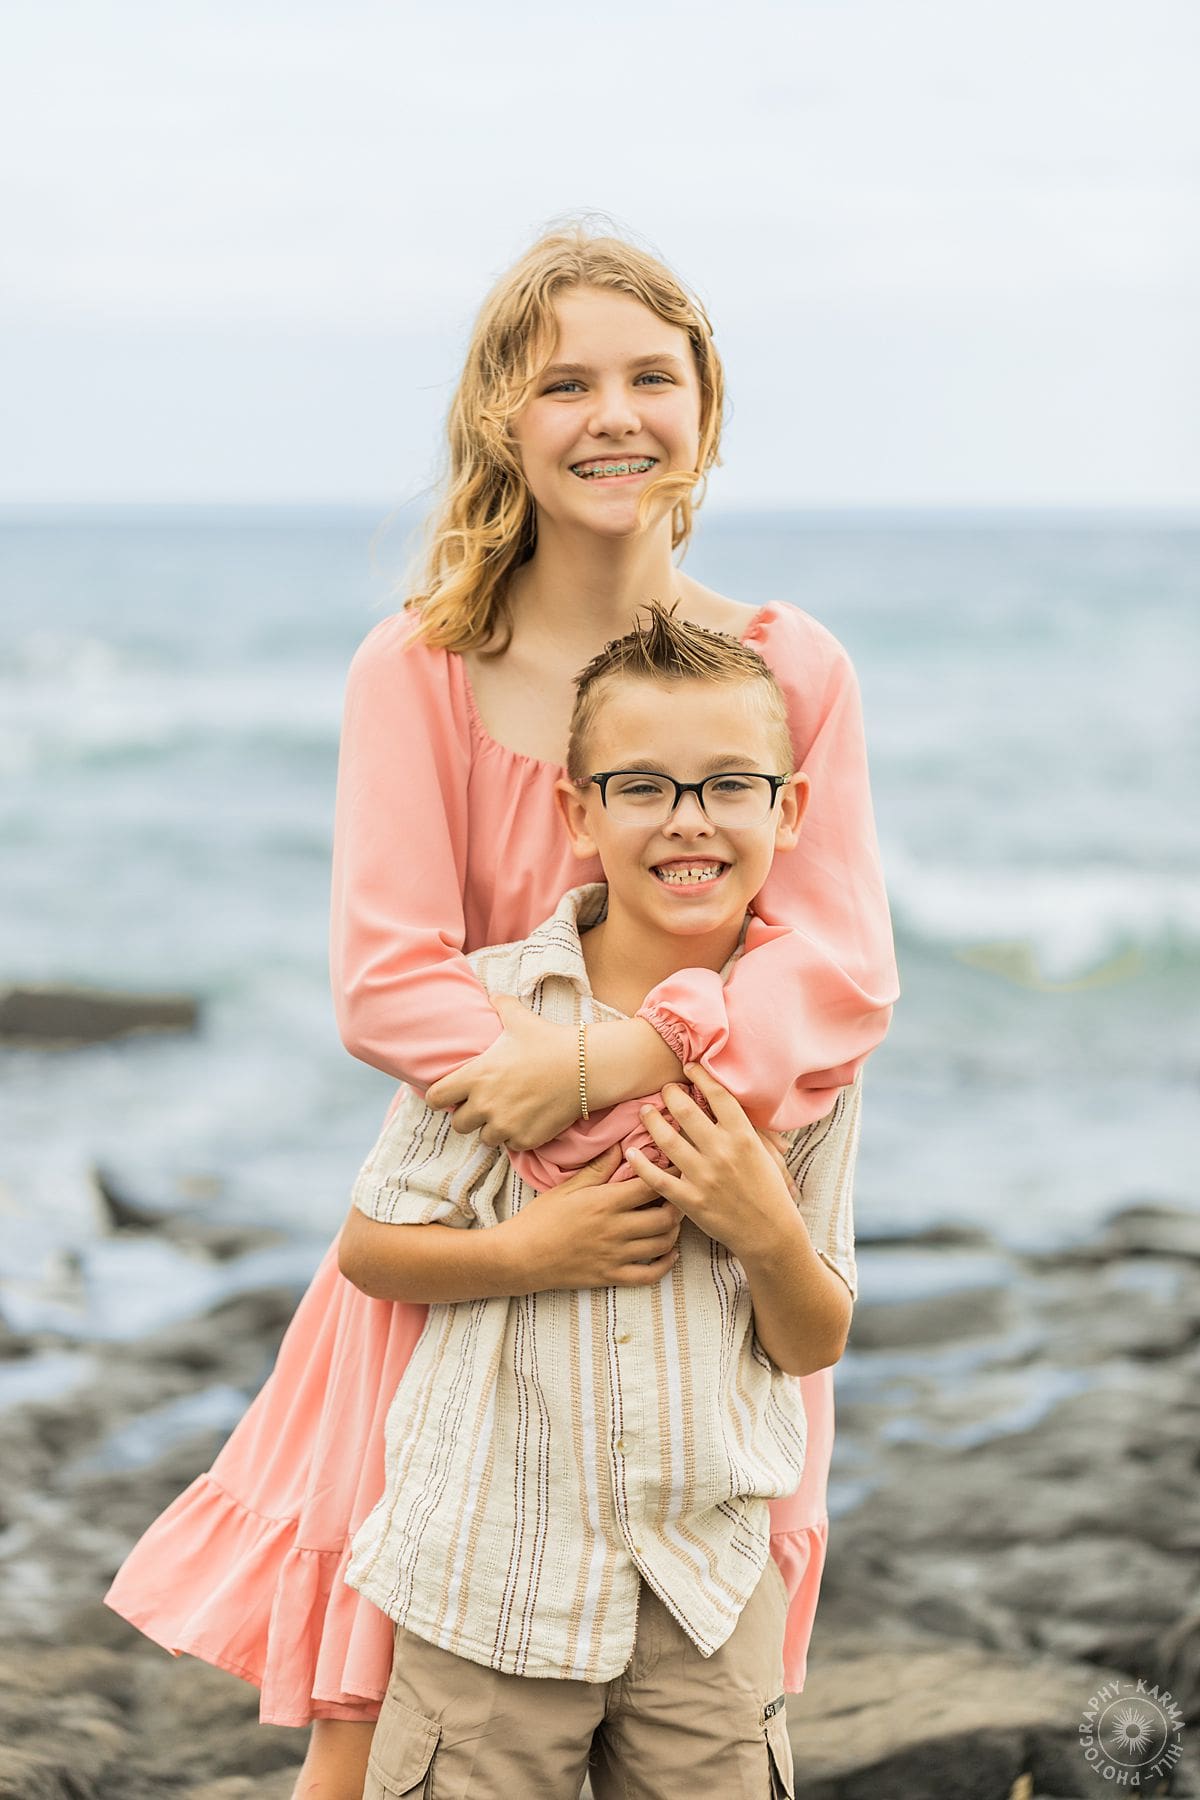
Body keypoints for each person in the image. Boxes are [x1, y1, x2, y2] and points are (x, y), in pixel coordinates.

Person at [103, 221, 898, 1800]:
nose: (614, 415)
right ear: (499, 423)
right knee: (376, 1714)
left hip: (693, 1261)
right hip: (467, 1246)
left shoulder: (785, 667)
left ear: (707, 407)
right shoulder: (420, 668)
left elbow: (838, 964)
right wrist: (542, 1160)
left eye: (651, 377)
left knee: (685, 1687)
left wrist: (622, 1055)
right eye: (565, 384)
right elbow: (390, 977)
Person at [341, 604, 860, 1798]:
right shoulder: (497, 1011)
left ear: (788, 812)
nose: (689, 819)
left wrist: (761, 1222)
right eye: (644, 786)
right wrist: (535, 1249)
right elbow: (372, 1248)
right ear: (579, 813)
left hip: (705, 1591)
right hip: (490, 1580)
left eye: (731, 784)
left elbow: (815, 1332)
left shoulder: (809, 1055)